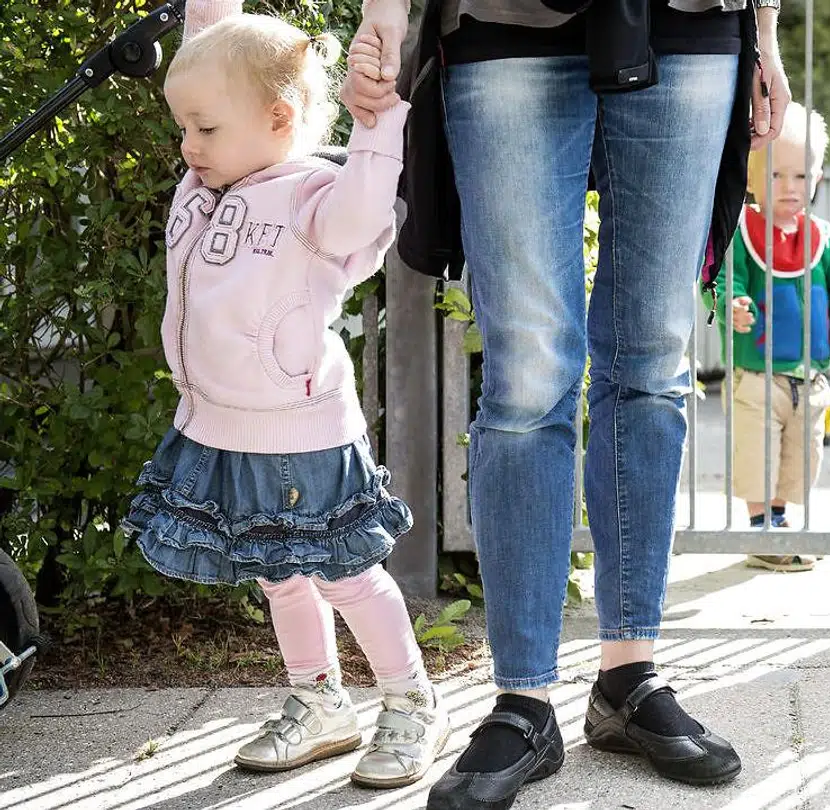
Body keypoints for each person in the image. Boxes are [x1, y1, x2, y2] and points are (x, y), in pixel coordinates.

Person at [340, 1, 792, 807]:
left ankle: (628, 679)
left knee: (652, 363)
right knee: (527, 376)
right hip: (505, 16)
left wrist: (767, 30)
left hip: (690, 20)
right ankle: (523, 703)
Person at [122, 3, 448, 787]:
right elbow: (213, 50)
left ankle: (410, 702)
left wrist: (380, 124)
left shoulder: (313, 200)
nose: (186, 146)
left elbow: (369, 207)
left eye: (203, 129)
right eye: (184, 128)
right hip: (224, 425)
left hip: (305, 430)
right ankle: (320, 700)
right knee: (278, 571)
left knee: (345, 574)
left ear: (278, 119)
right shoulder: (207, 187)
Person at [710, 102, 830, 573]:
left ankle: (779, 522)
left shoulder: (824, 239)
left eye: (801, 177)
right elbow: (726, 279)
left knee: (800, 456)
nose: (790, 188)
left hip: (809, 377)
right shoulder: (743, 232)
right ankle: (760, 528)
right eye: (777, 175)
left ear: (817, 179)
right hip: (758, 374)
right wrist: (732, 306)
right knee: (758, 452)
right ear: (754, 177)